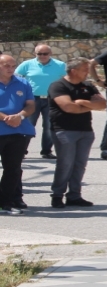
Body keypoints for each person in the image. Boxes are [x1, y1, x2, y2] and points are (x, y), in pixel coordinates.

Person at [49, 58, 106, 208]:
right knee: (65, 164)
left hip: (85, 130)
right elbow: (68, 107)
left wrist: (83, 103)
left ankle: (74, 195)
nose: (88, 73)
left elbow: (102, 104)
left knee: (80, 165)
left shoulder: (87, 85)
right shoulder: (58, 86)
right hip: (64, 130)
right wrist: (91, 105)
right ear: (73, 71)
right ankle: (57, 195)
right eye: (84, 70)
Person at [14, 44, 66, 160]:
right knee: (27, 125)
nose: (42, 56)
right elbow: (16, 78)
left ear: (50, 54)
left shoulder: (60, 65)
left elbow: (68, 80)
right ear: (35, 54)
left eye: (45, 54)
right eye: (39, 54)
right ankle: (21, 151)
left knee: (49, 126)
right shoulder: (27, 65)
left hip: (52, 99)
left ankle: (46, 151)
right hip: (31, 99)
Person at [0, 55, 35, 216]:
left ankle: (6, 203)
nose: (11, 69)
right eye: (7, 65)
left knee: (13, 169)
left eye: (13, 65)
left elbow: (30, 105)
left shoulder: (23, 83)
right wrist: (6, 118)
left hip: (19, 131)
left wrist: (19, 116)